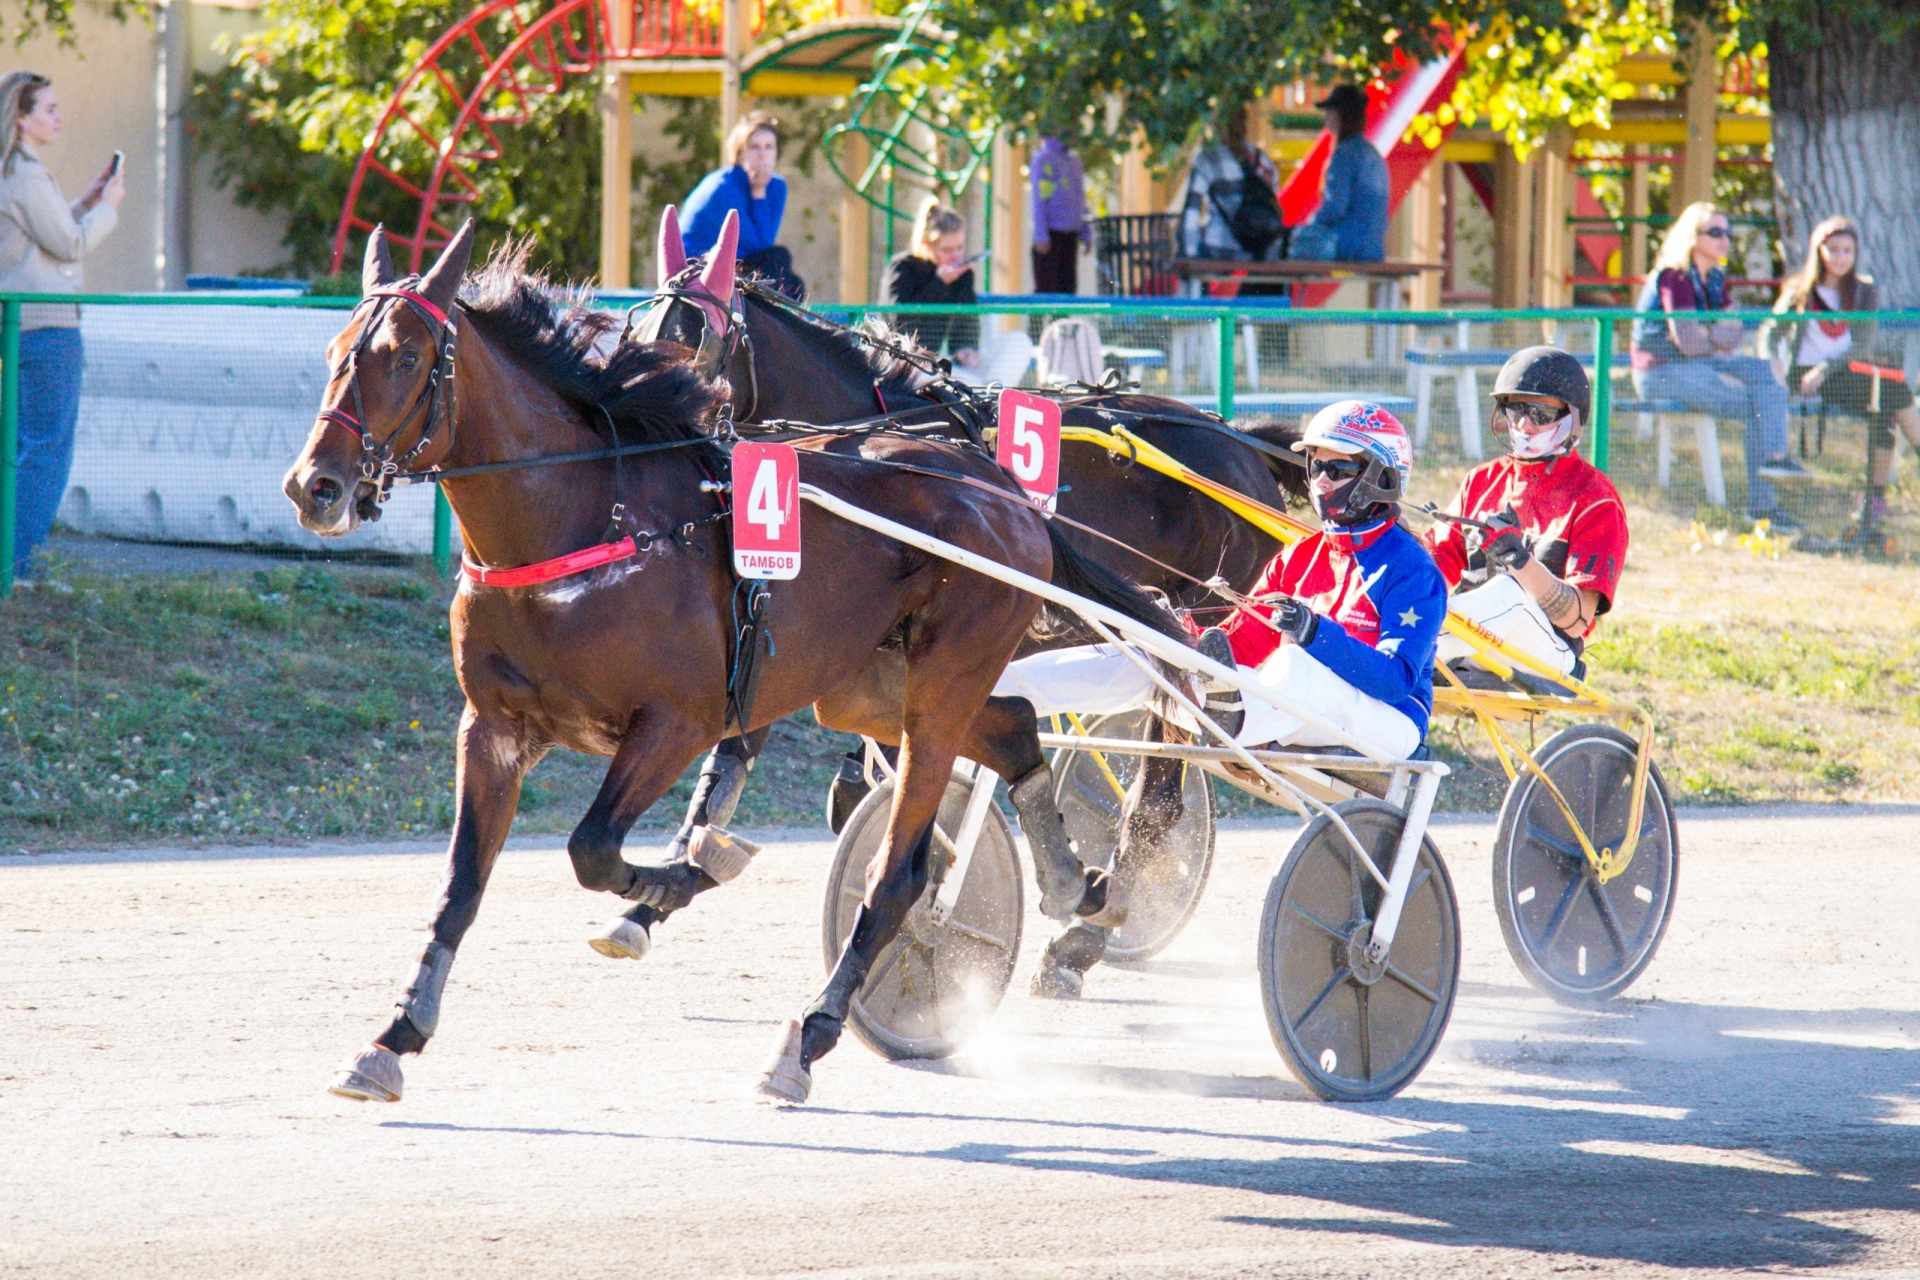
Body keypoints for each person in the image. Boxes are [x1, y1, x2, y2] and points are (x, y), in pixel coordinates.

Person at [996, 400, 1446, 996]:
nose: (1318, 482)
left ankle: (1228, 709)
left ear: (1379, 477)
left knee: (1290, 660)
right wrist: (1178, 641)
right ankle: (1008, 688)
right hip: (1284, 703)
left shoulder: (1412, 569)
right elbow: (1237, 640)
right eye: (1313, 467)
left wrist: (1315, 633)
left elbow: (1393, 679)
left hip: (1387, 722)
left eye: (1337, 470)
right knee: (1152, 657)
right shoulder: (1300, 556)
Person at [1424, 348, 1629, 678]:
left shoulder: (1595, 499)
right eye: (1515, 409)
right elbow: (1432, 566)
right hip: (1474, 642)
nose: (1524, 424)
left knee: (1510, 592)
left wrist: (1519, 561)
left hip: (1549, 652)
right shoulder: (1481, 481)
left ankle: (1407, 649)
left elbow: (1576, 620)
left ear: (1573, 417)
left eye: (1540, 413)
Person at [0, 71, 121, 582]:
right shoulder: (25, 174)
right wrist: (109, 210)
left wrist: (86, 204)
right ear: (22, 118)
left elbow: (47, 234)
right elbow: (70, 245)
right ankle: (16, 565)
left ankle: (13, 560)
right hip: (47, 325)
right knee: (46, 448)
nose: (58, 116)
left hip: (19, 322)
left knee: (22, 445)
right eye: (48, 108)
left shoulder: (14, 173)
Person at [1631, 202, 1808, 529]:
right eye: (1714, 232)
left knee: (1767, 371)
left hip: (1699, 364)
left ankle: (1775, 463)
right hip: (1661, 371)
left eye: (1727, 232)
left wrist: (1707, 334)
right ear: (1692, 236)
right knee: (1758, 403)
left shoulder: (1713, 278)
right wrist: (1713, 335)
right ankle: (1763, 505)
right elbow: (1688, 342)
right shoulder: (1675, 276)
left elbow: (1735, 332)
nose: (1724, 239)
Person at [1769, 215, 1920, 554]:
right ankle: (1874, 505)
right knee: (1893, 394)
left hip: (1843, 369)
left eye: (1847, 251)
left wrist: (1826, 368)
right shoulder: (1800, 291)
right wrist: (1774, 363)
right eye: (1833, 249)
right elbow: (1771, 330)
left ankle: (1873, 508)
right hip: (1805, 376)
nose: (1840, 257)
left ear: (1855, 254)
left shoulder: (1864, 292)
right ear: (1818, 250)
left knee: (1888, 404)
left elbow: (1861, 346)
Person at [883, 200, 1034, 386]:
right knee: (938, 377)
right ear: (926, 244)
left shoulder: (963, 276)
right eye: (947, 250)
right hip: (906, 364)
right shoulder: (904, 268)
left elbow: (967, 322)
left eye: (960, 248)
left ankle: (993, 394)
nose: (955, 257)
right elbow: (899, 319)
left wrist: (967, 350)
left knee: (1019, 342)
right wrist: (938, 284)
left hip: (946, 365)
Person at [679, 110, 804, 300]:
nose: (762, 155)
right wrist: (758, 194)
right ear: (740, 154)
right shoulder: (722, 187)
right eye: (754, 147)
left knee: (795, 285)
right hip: (699, 267)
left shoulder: (777, 186)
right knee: (778, 258)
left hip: (739, 260)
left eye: (769, 147)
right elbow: (758, 244)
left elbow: (766, 240)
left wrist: (760, 192)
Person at [1287, 84, 1389, 263]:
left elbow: (1334, 208)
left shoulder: (1344, 153)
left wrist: (1308, 226)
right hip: (1372, 248)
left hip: (1347, 245)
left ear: (1341, 115)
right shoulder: (1371, 152)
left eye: (1329, 112)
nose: (1326, 119)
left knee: (1290, 242)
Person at [1178, 106, 1282, 262]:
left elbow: (1192, 213)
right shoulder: (1261, 160)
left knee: (1198, 257)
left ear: (1216, 125)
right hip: (1259, 249)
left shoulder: (1208, 158)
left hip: (1219, 248)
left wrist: (1188, 253)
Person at [1029, 135, 1089, 294]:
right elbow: (1038, 199)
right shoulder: (1043, 159)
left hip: (1071, 233)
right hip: (1050, 234)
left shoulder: (1074, 161)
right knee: (1045, 289)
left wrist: (1086, 231)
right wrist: (1041, 235)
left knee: (1068, 288)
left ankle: (1063, 320)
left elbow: (1081, 197)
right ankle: (1039, 320)